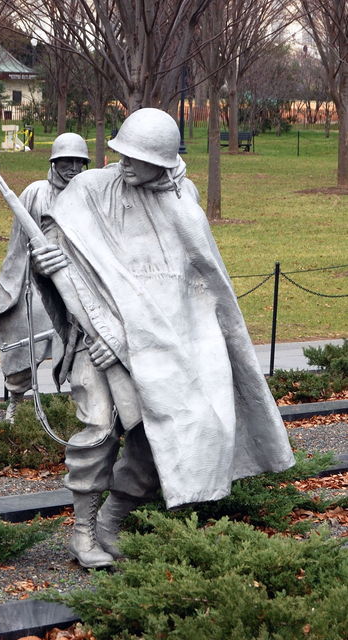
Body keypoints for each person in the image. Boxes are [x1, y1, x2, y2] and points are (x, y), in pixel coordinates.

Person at [32, 108, 295, 569]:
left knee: (161, 436)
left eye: (135, 156)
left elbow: (191, 289)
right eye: (121, 153)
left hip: (159, 343)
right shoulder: (91, 189)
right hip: (94, 335)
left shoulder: (183, 200)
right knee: (96, 429)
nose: (123, 162)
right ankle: (82, 532)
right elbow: (60, 254)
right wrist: (46, 268)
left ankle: (111, 522)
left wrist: (141, 342)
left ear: (164, 161)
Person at [0, 133, 90, 423]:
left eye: (77, 161)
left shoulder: (88, 195)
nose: (72, 167)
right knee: (22, 337)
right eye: (65, 161)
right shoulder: (35, 192)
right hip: (35, 284)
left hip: (78, 285)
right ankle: (16, 401)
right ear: (54, 162)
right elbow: (18, 245)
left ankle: (83, 405)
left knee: (84, 345)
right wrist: (12, 284)